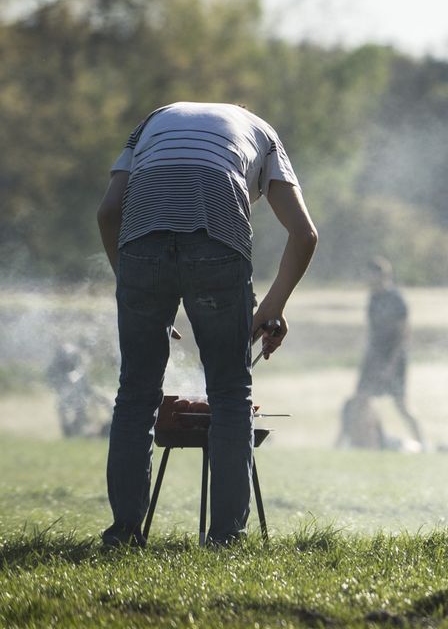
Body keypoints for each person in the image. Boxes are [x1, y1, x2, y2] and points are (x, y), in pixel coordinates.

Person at [96, 102, 318, 547]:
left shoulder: (151, 124)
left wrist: (134, 287)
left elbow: (107, 212)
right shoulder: (263, 136)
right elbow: (304, 233)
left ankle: (123, 534)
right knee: (231, 393)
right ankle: (224, 539)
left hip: (140, 246)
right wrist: (272, 306)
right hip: (218, 240)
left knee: (136, 392)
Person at [354, 257, 425, 449]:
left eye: (370, 274)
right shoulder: (373, 298)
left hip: (394, 359)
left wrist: (390, 365)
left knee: (402, 405)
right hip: (374, 358)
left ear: (381, 275)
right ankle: (354, 442)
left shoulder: (395, 299)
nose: (366, 278)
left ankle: (422, 444)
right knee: (360, 400)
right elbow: (372, 331)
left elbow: (404, 334)